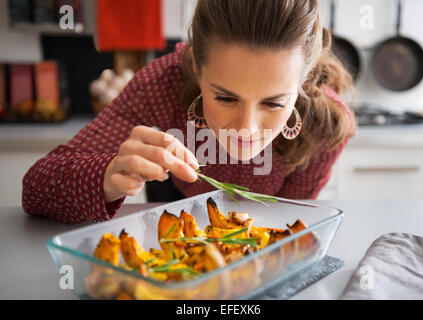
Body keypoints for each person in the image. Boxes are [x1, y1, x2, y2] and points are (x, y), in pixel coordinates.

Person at [22, 0, 357, 224]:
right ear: (196, 66)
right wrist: (108, 177)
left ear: (303, 81)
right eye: (225, 98)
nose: (246, 129)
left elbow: (282, 226)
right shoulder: (160, 85)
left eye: (273, 103)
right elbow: (35, 189)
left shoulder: (326, 126)